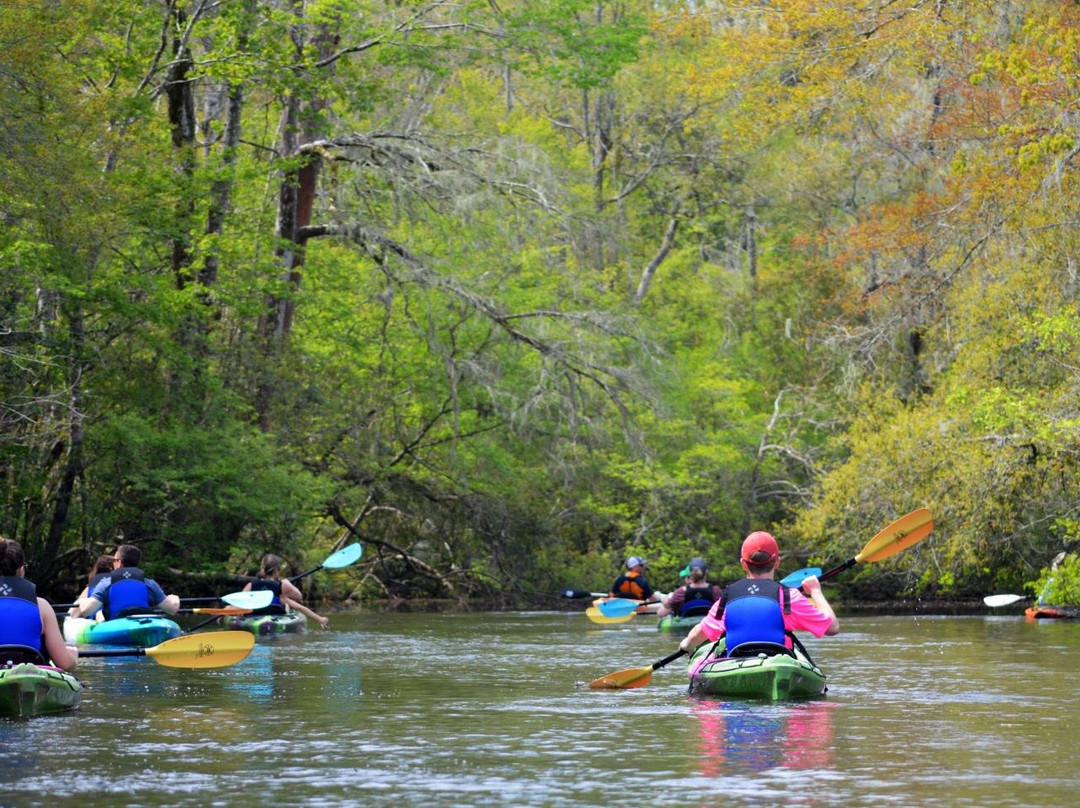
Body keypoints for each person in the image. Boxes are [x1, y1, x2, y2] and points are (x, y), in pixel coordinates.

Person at [679, 531, 838, 658]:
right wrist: (816, 592)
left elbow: (700, 632)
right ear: (777, 561)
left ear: (743, 564)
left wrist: (687, 644)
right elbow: (832, 627)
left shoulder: (728, 597)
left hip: (735, 661)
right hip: (778, 660)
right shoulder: (789, 596)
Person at [0, 537, 78, 670]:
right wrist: (73, 657)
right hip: (29, 676)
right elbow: (65, 664)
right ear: (20, 569)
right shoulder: (41, 606)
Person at [72, 544, 180, 620]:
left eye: (114, 560)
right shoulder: (148, 583)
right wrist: (174, 598)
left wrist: (82, 602)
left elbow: (86, 611)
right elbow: (172, 609)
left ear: (119, 563)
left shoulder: (106, 583)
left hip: (115, 627)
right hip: (142, 626)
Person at [243, 553, 329, 628]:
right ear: (276, 570)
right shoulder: (280, 586)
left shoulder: (250, 585)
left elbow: (238, 603)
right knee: (287, 606)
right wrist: (319, 619)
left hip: (253, 619)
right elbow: (298, 606)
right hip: (276, 619)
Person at [657, 557, 722, 619]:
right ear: (706, 573)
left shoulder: (680, 592)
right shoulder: (716, 591)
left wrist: (666, 600)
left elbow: (661, 613)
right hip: (708, 626)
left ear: (690, 573)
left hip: (685, 627)